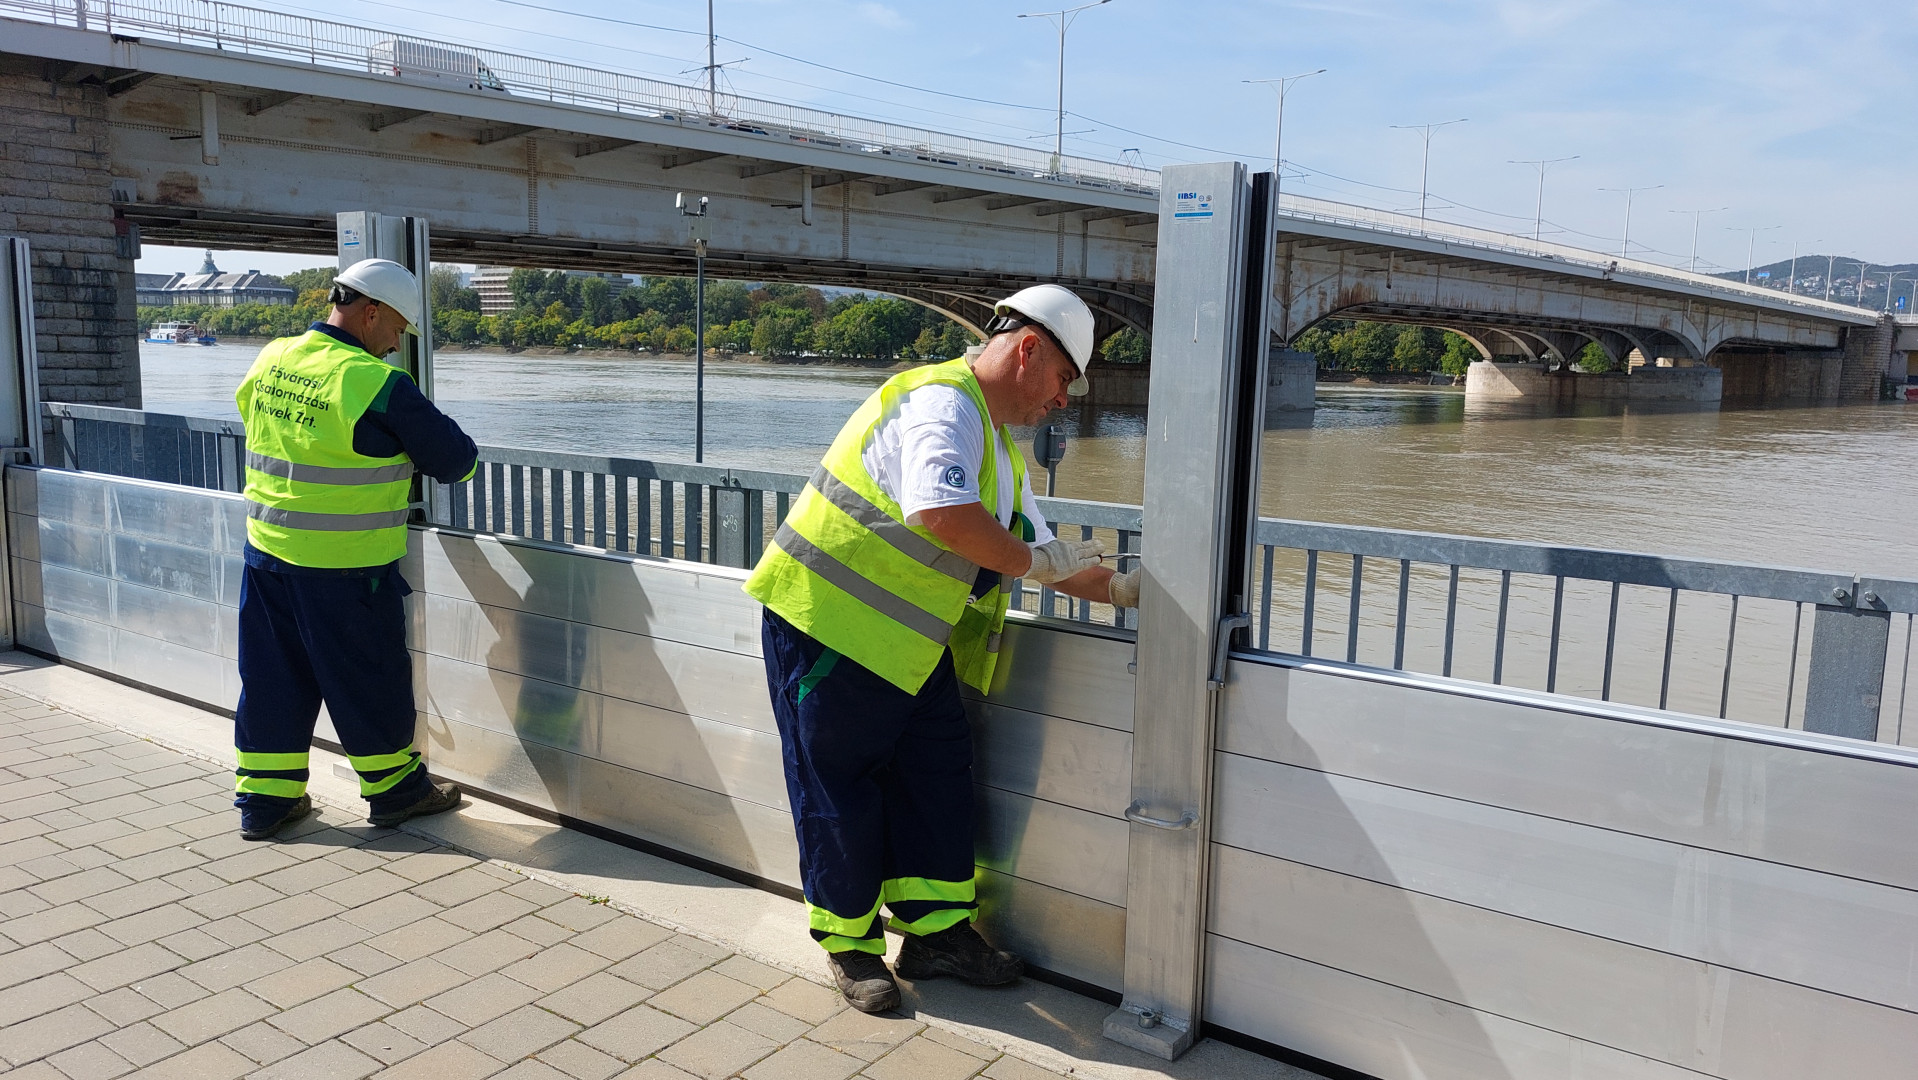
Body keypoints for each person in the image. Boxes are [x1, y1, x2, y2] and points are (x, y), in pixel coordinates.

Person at [743, 284, 1142, 1012]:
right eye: (1062, 381)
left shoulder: (994, 444)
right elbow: (944, 514)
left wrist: (1120, 590)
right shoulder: (942, 403)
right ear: (1028, 350)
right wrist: (1032, 562)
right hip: (830, 628)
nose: (1062, 402)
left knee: (936, 777)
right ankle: (851, 945)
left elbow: (1041, 547)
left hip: (906, 647)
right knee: (839, 786)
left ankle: (936, 936)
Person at [230, 259, 479, 841]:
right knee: (370, 678)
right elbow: (457, 461)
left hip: (267, 555)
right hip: (345, 569)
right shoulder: (374, 384)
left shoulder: (273, 358)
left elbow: (254, 421)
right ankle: (396, 793)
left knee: (272, 679)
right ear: (370, 314)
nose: (396, 344)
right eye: (396, 329)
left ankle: (265, 803)